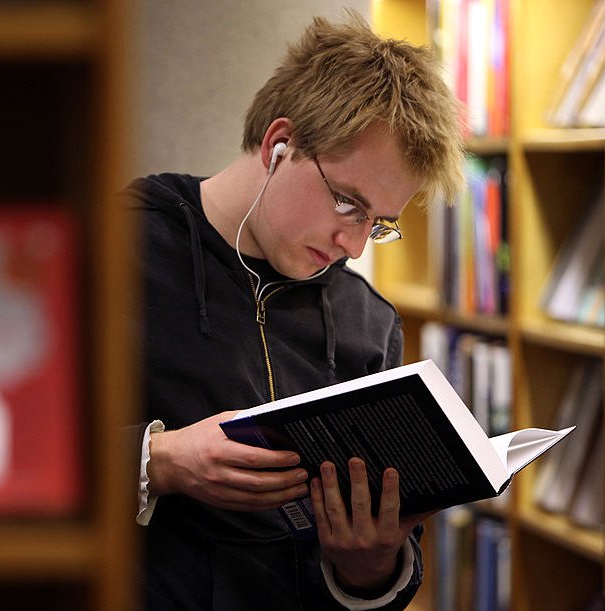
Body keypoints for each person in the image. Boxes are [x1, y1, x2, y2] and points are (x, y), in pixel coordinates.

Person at [124, 12, 464, 611]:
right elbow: (16, 451)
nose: (354, 246)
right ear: (280, 145)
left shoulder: (368, 323)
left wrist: (372, 567)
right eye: (348, 203)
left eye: (379, 224)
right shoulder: (123, 248)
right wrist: (161, 460)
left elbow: (379, 579)